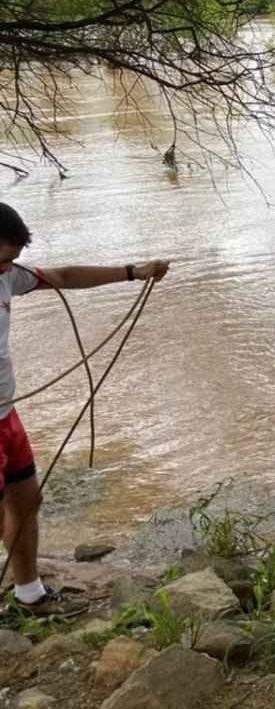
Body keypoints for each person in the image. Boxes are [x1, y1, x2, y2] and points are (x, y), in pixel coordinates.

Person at [0, 202, 169, 615]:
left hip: (5, 415)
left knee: (26, 501)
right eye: (3, 259)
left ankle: (30, 595)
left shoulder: (8, 279)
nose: (8, 268)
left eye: (12, 260)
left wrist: (133, 272)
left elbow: (63, 276)